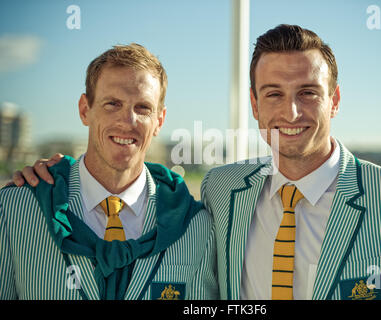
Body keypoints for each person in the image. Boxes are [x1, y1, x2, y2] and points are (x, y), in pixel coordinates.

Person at [11, 25, 381, 300]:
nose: (291, 112)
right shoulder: (222, 193)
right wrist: (55, 176)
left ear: (334, 100)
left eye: (308, 93)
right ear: (255, 106)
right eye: (274, 93)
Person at [0, 43, 218, 300]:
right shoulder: (14, 209)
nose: (128, 122)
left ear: (159, 121)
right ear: (85, 110)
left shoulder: (196, 225)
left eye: (143, 108)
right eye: (112, 104)